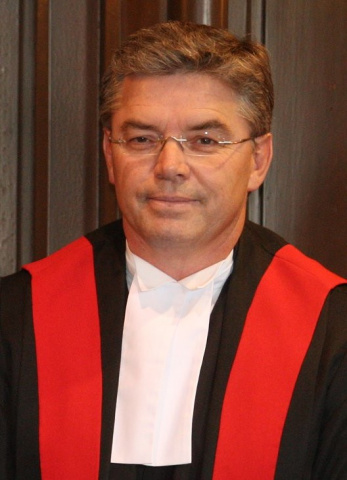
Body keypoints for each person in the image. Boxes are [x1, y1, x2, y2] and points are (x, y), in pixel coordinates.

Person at [0, 21, 346, 480]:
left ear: (257, 161)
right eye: (142, 139)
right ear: (109, 154)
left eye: (205, 141)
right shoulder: (16, 316)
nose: (169, 166)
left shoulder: (331, 329)